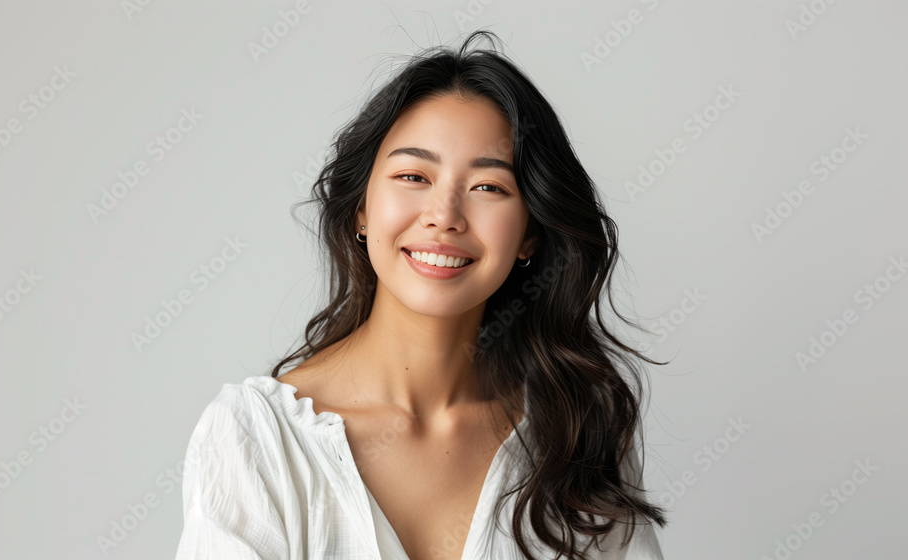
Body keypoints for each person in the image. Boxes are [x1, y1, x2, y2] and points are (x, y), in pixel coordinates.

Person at [175, 30, 667, 560]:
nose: (444, 216)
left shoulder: (576, 430)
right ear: (361, 210)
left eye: (489, 187)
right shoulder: (256, 442)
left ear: (530, 232)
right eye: (413, 175)